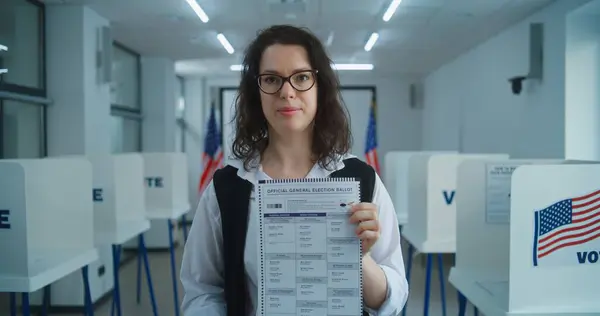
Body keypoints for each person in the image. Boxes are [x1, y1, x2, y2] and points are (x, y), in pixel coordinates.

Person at [180, 25, 409, 316]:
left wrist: (358, 259)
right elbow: (202, 291)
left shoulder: (362, 180)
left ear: (320, 87)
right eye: (272, 79)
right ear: (257, 91)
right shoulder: (225, 188)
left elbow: (392, 298)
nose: (287, 92)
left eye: (301, 77)